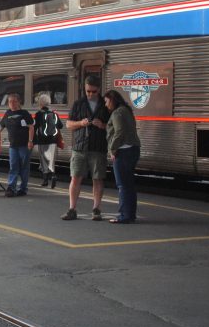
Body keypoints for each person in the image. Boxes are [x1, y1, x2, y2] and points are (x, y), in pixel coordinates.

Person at [63, 74, 110, 220]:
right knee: (75, 178)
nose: (90, 94)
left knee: (98, 178)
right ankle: (72, 209)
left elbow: (113, 126)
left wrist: (102, 125)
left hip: (98, 147)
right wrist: (80, 124)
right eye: (88, 91)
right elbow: (68, 124)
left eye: (93, 92)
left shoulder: (106, 104)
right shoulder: (78, 104)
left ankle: (96, 209)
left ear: (99, 89)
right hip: (80, 146)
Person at [104, 88, 141, 223]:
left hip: (123, 151)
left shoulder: (117, 113)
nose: (105, 104)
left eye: (107, 101)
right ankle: (130, 214)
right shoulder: (127, 111)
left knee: (123, 185)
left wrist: (113, 149)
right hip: (133, 149)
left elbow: (119, 132)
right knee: (129, 184)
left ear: (113, 100)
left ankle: (124, 216)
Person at [0, 93, 34, 197]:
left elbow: (31, 127)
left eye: (14, 101)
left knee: (24, 167)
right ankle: (11, 187)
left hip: (24, 145)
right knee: (13, 166)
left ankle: (23, 188)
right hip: (13, 146)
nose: (12, 103)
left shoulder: (24, 113)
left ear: (19, 102)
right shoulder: (7, 114)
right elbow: (0, 128)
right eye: (10, 101)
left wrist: (30, 141)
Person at [33, 92, 63, 188]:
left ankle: (45, 180)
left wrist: (33, 141)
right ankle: (53, 175)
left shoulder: (38, 114)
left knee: (43, 160)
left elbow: (35, 127)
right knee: (51, 160)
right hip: (53, 141)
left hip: (42, 140)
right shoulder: (54, 114)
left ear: (41, 104)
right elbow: (60, 126)